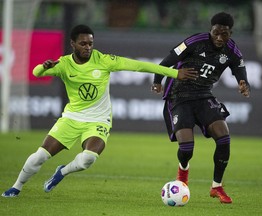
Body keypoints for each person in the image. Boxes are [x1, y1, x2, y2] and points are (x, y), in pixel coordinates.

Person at [2, 24, 198, 198]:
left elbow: (139, 66)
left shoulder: (104, 60)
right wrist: (43, 67)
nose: (87, 47)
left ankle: (62, 172)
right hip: (71, 118)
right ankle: (16, 187)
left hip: (98, 121)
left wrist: (174, 73)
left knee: (87, 159)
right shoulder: (63, 64)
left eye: (90, 43)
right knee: (40, 156)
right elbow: (36, 73)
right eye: (83, 44)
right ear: (73, 44)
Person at [151, 12, 250, 204]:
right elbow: (169, 60)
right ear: (210, 30)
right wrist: (157, 80)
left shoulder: (231, 49)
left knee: (224, 138)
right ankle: (183, 174)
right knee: (187, 148)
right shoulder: (195, 41)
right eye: (216, 33)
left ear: (231, 33)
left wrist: (243, 82)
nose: (220, 38)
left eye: (225, 34)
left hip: (204, 95)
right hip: (179, 96)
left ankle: (217, 187)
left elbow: (239, 67)